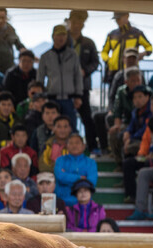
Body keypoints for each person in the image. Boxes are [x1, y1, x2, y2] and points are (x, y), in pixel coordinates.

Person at [66, 10, 101, 153]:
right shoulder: (63, 40)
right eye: (74, 22)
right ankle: (68, 146)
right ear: (69, 22)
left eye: (79, 23)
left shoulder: (88, 43)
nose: (76, 26)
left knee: (87, 117)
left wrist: (85, 71)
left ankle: (92, 146)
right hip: (65, 87)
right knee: (67, 117)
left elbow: (95, 62)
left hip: (83, 87)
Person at [38, 25, 83, 128]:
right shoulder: (45, 56)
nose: (61, 38)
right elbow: (40, 79)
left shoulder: (73, 55)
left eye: (63, 35)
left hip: (69, 99)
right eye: (58, 35)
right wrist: (41, 98)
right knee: (52, 127)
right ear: (53, 36)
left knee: (71, 127)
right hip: (51, 99)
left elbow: (78, 76)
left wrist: (78, 96)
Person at [101, 12, 153, 83]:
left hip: (132, 70)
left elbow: (149, 47)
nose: (117, 21)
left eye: (119, 18)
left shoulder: (137, 33)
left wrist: (142, 54)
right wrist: (108, 61)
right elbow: (104, 51)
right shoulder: (112, 34)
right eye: (116, 19)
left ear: (127, 16)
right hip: (114, 70)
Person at [54, 133, 97, 206]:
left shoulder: (91, 162)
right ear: (67, 146)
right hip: (62, 202)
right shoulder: (60, 160)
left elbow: (91, 182)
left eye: (77, 143)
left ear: (83, 146)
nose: (74, 146)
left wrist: (67, 177)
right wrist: (80, 178)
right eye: (71, 143)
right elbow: (60, 177)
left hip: (83, 203)